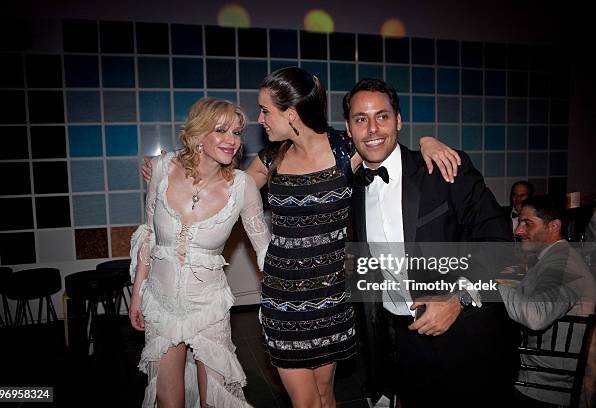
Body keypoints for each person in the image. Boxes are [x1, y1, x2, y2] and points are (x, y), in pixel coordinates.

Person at [143, 67, 459, 408]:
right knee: (306, 402)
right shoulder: (270, 160)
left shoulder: (345, 150)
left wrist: (428, 142)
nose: (261, 120)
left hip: (331, 297)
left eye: (266, 111)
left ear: (291, 114)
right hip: (283, 298)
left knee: (326, 396)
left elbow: (385, 147)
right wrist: (171, 165)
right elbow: (219, 188)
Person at [344, 78, 518, 407]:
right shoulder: (352, 187)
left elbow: (501, 241)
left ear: (398, 120)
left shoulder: (442, 168)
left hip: (467, 334)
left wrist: (460, 298)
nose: (372, 129)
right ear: (349, 128)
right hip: (403, 342)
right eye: (360, 119)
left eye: (381, 116)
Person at [129, 98, 271, 408]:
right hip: (161, 301)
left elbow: (264, 249)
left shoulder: (242, 187)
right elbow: (149, 237)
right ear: (197, 134)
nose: (232, 141)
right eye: (221, 130)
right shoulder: (161, 169)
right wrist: (137, 295)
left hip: (209, 305)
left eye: (236, 132)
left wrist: (285, 296)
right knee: (168, 398)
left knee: (214, 399)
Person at [498, 196, 596, 407]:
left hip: (544, 386)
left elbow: (535, 316)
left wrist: (489, 283)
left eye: (527, 223)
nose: (518, 231)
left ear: (554, 226)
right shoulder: (555, 257)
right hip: (539, 374)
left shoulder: (564, 264)